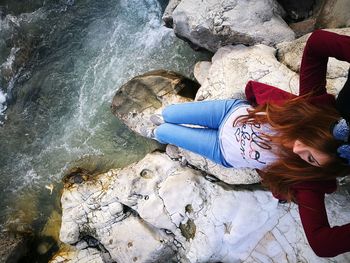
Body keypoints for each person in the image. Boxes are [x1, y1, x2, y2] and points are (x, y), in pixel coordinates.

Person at [143, 30, 350, 257]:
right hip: (227, 113)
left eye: (310, 159)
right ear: (316, 127)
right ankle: (162, 117)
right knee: (171, 113)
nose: (297, 150)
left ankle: (157, 132)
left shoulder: (309, 181)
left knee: (165, 132)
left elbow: (322, 244)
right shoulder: (313, 107)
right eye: (307, 141)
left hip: (221, 150)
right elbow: (318, 42)